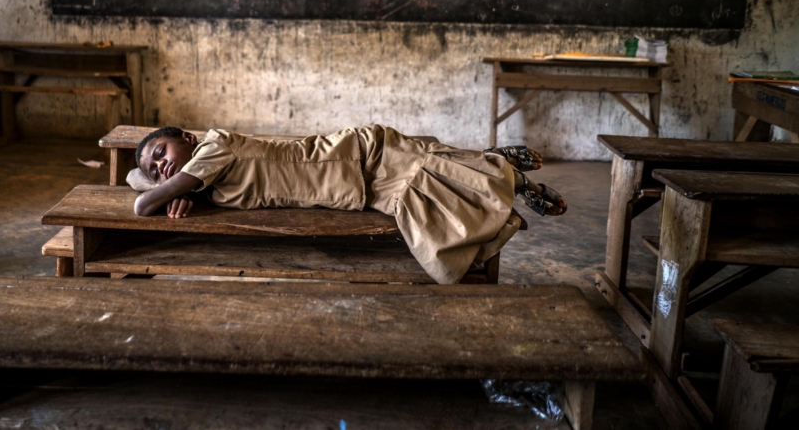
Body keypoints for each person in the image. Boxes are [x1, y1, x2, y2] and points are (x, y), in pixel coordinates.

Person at [130, 125, 566, 284]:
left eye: (161, 154)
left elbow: (142, 205)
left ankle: (511, 176)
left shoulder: (213, 145)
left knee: (433, 175)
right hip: (355, 188)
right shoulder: (194, 179)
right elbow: (145, 187)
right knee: (437, 230)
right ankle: (497, 169)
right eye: (154, 169)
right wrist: (176, 189)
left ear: (186, 137)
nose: (160, 169)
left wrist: (171, 190)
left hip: (354, 157)